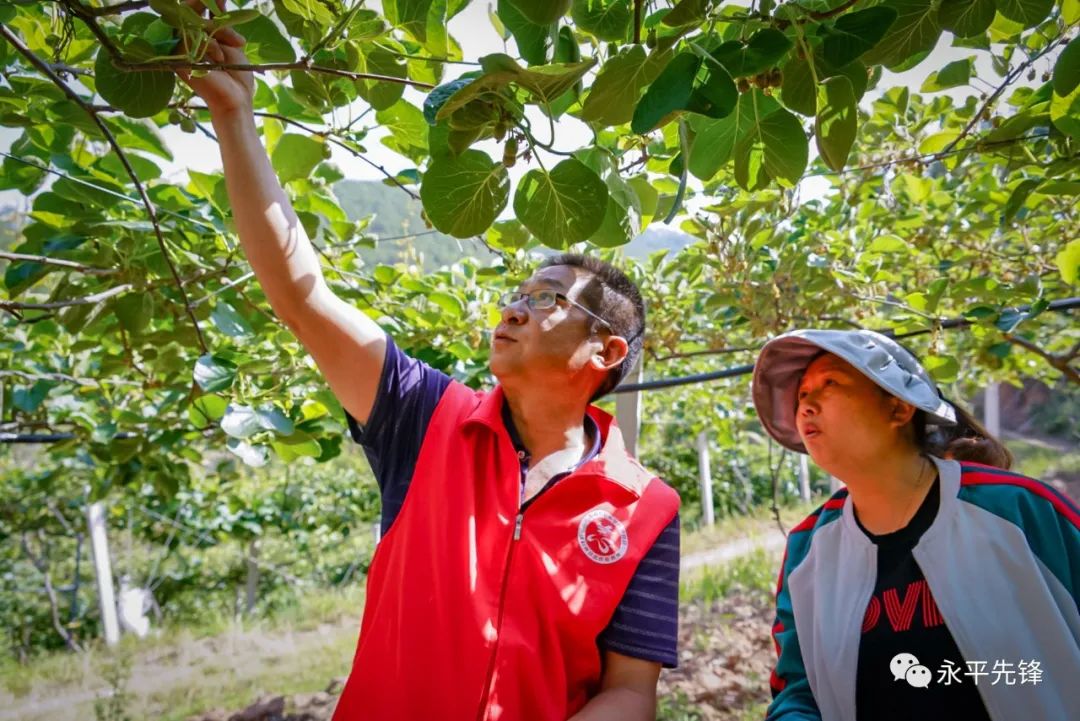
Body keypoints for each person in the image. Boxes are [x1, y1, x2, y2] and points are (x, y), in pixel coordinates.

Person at [176, 13, 681, 721]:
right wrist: (235, 117)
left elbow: (630, 689)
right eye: (515, 294)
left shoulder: (647, 508)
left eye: (546, 299)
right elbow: (302, 295)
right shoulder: (423, 414)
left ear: (606, 351)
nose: (513, 310)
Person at [750, 328, 1080, 721]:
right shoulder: (808, 550)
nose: (806, 405)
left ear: (898, 408)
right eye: (802, 394)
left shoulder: (1017, 510)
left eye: (830, 383)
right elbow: (799, 688)